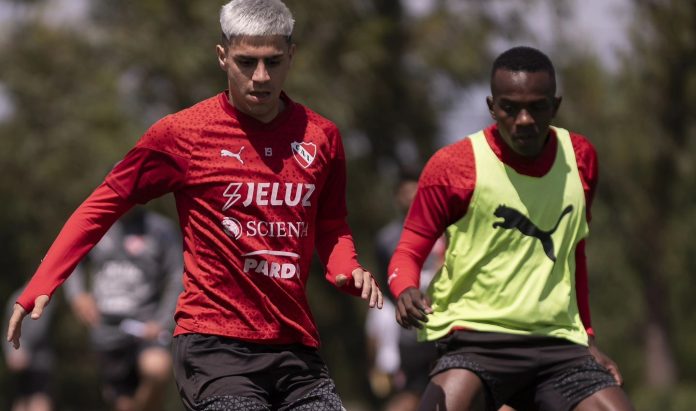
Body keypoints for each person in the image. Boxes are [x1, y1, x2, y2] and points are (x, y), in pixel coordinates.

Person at [7, 1, 383, 410]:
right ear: (222, 56)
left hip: (295, 345)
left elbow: (331, 226)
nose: (261, 77)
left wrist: (347, 267)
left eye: (273, 62)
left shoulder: (322, 136)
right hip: (214, 345)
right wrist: (43, 282)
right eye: (246, 62)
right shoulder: (181, 134)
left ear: (292, 55)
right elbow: (102, 206)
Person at [387, 46, 635, 411]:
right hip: (476, 342)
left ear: (555, 105)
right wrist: (405, 287)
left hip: (558, 346)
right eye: (510, 107)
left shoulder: (581, 158)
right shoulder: (454, 166)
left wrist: (589, 338)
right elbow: (409, 249)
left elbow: (573, 254)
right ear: (492, 107)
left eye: (537, 106)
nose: (523, 119)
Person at [63, 207, 183, 411]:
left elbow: (177, 276)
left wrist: (163, 320)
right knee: (123, 404)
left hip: (146, 326)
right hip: (107, 329)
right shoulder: (96, 223)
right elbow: (70, 256)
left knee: (157, 369)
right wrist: (77, 295)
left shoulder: (161, 230)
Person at [365, 169, 442, 411]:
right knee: (415, 390)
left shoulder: (446, 227)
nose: (409, 198)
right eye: (403, 193)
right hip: (412, 330)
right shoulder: (386, 238)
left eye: (413, 191)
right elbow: (385, 281)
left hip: (449, 322)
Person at [3, 287, 55, 411]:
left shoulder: (15, 296)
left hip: (30, 360)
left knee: (27, 398)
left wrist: (13, 352)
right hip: (35, 361)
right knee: (35, 399)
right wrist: (17, 352)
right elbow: (39, 327)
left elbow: (7, 329)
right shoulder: (45, 296)